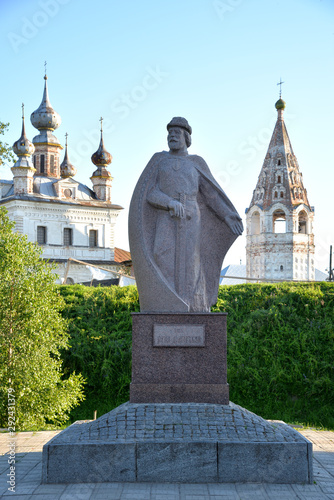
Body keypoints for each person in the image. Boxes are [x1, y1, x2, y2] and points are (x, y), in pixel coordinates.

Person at [129, 117, 243, 312]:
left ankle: (193, 306)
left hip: (191, 216)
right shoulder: (160, 161)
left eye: (177, 133)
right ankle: (167, 305)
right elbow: (150, 193)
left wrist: (227, 215)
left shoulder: (196, 163)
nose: (172, 136)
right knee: (160, 254)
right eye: (169, 133)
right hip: (167, 215)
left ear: (186, 137)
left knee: (191, 261)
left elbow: (212, 195)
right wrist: (169, 203)